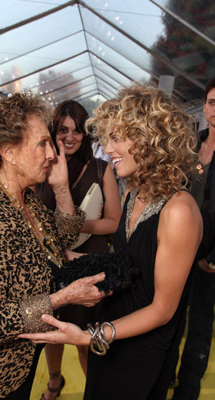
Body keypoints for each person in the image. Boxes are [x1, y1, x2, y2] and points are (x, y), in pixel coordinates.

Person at [19, 84, 203, 400]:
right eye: (107, 138)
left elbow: (162, 309)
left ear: (149, 140)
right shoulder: (133, 191)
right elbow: (125, 263)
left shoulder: (179, 211)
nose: (108, 147)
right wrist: (69, 258)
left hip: (143, 347)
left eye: (117, 138)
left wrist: (91, 336)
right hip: (111, 327)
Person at [0, 92, 106, 400]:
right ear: (8, 152)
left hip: (20, 365)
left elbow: (60, 240)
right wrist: (63, 298)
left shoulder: (24, 199)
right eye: (43, 143)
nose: (52, 154)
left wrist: (60, 187)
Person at [36, 100, 121, 399]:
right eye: (63, 130)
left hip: (90, 261)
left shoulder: (100, 168)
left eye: (77, 131)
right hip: (51, 263)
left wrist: (73, 222)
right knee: (52, 331)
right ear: (52, 132)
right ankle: (55, 381)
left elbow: (113, 223)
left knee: (88, 336)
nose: (70, 137)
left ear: (86, 135)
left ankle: (94, 390)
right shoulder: (40, 168)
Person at [172, 79, 215, 400]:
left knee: (199, 328)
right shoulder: (192, 147)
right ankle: (165, 379)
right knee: (170, 318)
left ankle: (186, 391)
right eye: (213, 102)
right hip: (178, 251)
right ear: (204, 106)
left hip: (207, 258)